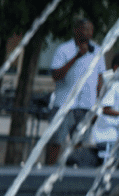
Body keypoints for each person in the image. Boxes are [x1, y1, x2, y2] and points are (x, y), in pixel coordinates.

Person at [47, 17, 104, 166]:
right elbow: (55, 75)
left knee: (80, 144)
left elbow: (100, 78)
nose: (89, 33)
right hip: (64, 104)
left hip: (87, 105)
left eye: (91, 29)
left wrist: (98, 103)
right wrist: (76, 57)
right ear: (76, 30)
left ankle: (74, 175)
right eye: (85, 29)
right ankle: (45, 172)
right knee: (56, 142)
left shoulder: (98, 51)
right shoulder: (64, 49)